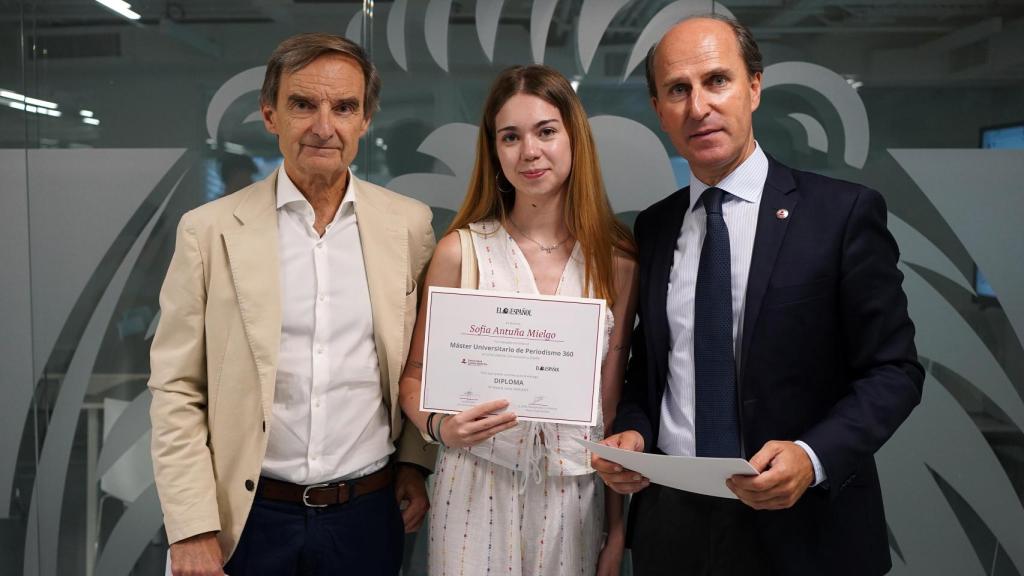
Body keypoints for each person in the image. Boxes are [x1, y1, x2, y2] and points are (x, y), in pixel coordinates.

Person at [592, 15, 924, 576]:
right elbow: (654, 367)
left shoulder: (840, 215)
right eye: (678, 89)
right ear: (659, 110)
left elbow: (894, 371)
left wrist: (812, 456)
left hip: (805, 524)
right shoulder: (654, 228)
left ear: (754, 86)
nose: (698, 106)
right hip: (672, 522)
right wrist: (635, 428)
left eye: (717, 80)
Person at [149, 33, 436, 576]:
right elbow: (177, 387)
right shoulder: (208, 232)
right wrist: (190, 526)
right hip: (249, 518)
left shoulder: (410, 226)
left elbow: (418, 362)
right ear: (270, 114)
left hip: (369, 515)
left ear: (365, 120)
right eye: (303, 104)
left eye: (344, 107)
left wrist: (416, 465)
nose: (324, 126)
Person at [397, 65, 638, 575]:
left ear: (574, 139)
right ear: (494, 150)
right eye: (511, 136)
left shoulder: (616, 260)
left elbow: (610, 411)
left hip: (575, 491)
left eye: (546, 131)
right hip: (473, 479)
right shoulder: (461, 252)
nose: (530, 151)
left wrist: (616, 533)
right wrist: (440, 427)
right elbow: (414, 376)